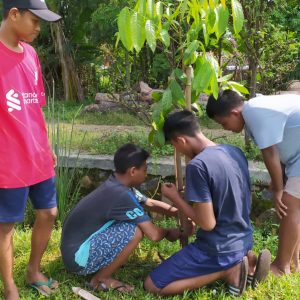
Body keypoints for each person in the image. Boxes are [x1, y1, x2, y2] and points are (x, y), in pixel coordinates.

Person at [144, 110, 271, 297]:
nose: (177, 151)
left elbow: (207, 223)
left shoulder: (198, 166)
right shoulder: (234, 152)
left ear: (181, 140)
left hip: (217, 248)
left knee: (153, 285)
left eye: (174, 146)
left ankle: (229, 270)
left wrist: (176, 198)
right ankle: (246, 260)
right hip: (244, 239)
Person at [0, 1, 62, 299]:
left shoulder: (31, 54)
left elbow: (36, 106)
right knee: (7, 226)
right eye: (35, 20)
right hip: (8, 159)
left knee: (49, 212)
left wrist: (46, 146)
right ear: (14, 14)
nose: (39, 28)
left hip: (38, 155)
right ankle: (10, 285)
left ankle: (33, 269)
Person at [61, 143, 184, 293]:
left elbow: (150, 203)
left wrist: (182, 212)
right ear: (132, 171)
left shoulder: (117, 184)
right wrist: (168, 232)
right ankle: (100, 279)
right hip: (78, 259)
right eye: (145, 170)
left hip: (73, 251)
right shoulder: (122, 195)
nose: (146, 175)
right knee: (134, 231)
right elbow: (153, 234)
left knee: (131, 225)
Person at [206, 90, 300, 276]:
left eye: (223, 123)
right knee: (294, 207)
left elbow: (270, 152)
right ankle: (292, 262)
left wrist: (279, 188)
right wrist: (278, 178)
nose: (225, 129)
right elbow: (281, 142)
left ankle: (281, 267)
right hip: (296, 158)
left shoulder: (255, 111)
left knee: (290, 206)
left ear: (234, 113)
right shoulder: (255, 109)